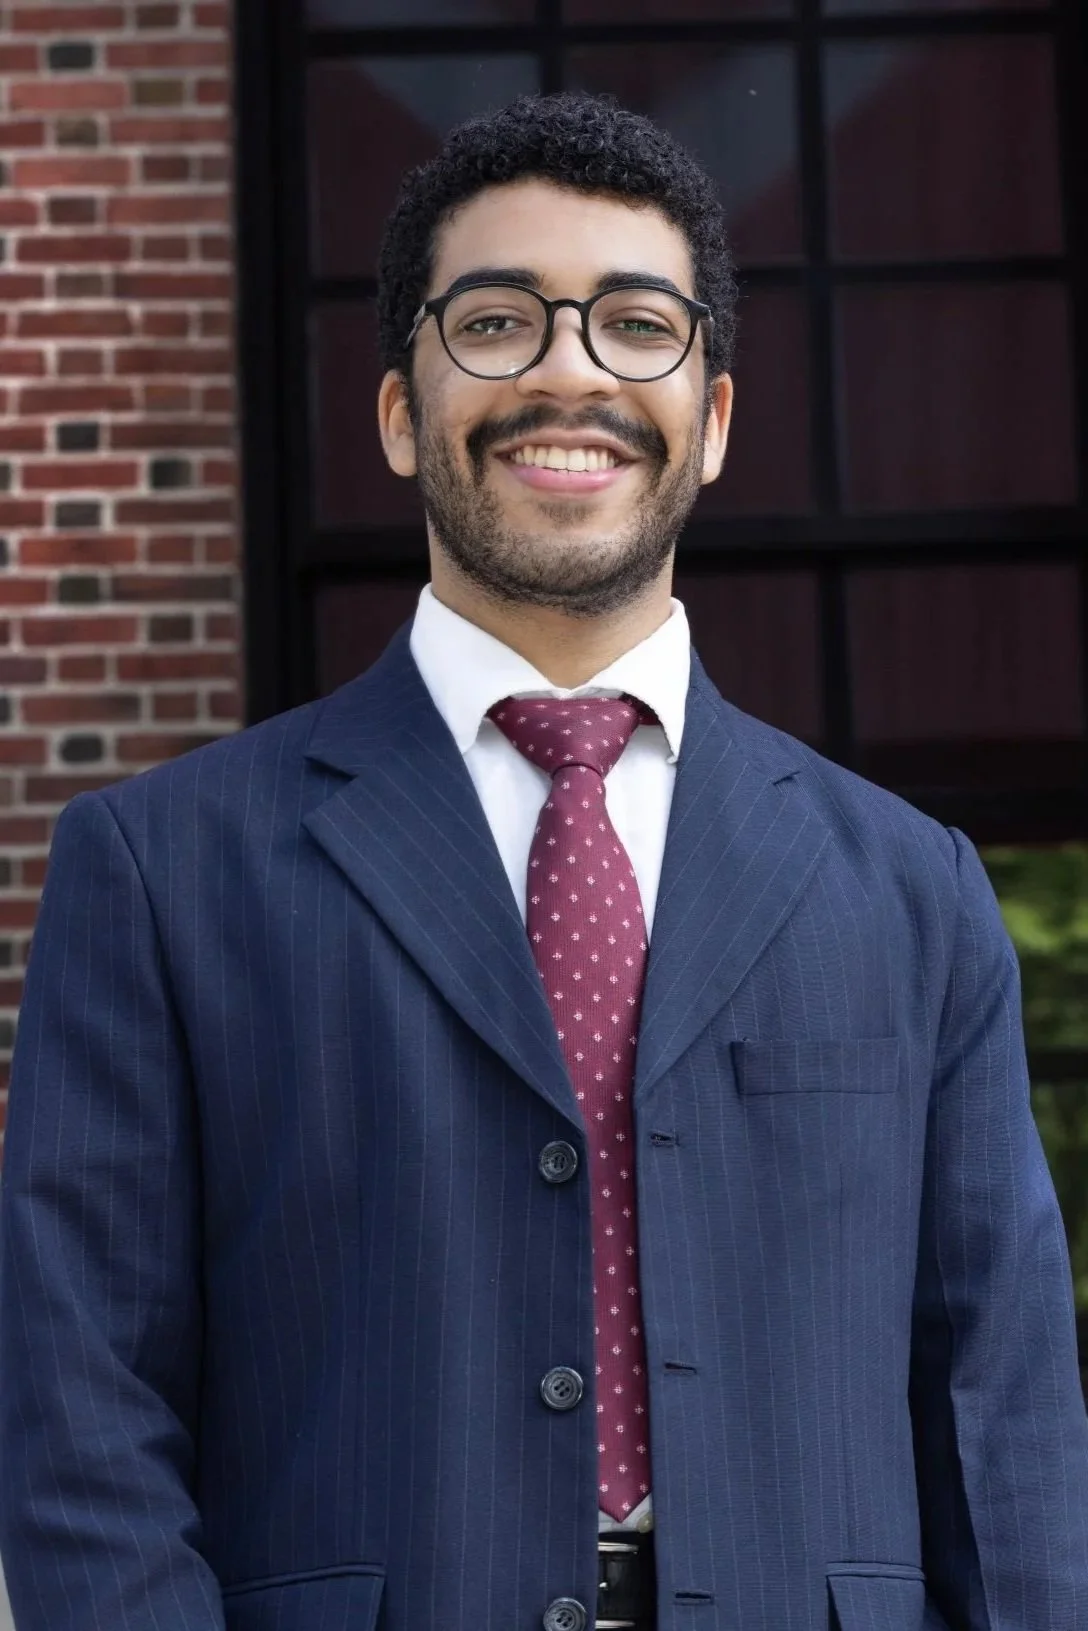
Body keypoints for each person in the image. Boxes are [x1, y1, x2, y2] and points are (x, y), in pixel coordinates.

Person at [1, 91, 1086, 1631]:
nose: (570, 367)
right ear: (399, 411)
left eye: (636, 323)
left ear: (713, 418)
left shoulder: (913, 889)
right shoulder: (161, 871)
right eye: (498, 320)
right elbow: (82, 1417)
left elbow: (1005, 1422)